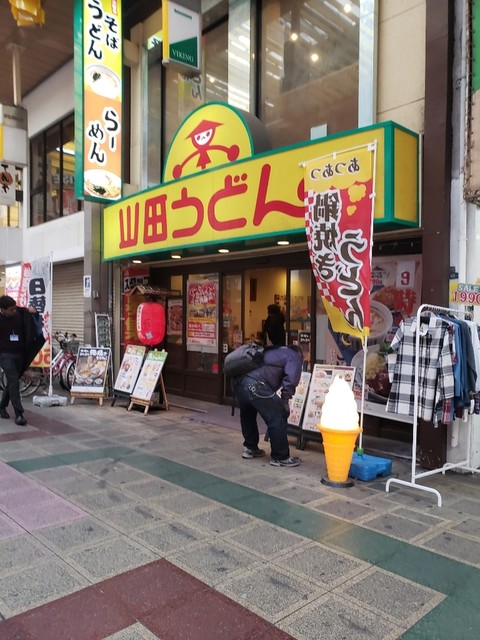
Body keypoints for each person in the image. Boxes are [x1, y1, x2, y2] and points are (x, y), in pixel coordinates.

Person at [232, 345, 303, 467]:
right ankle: (280, 457)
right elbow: (291, 379)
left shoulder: (273, 351)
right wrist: (285, 400)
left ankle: (250, 448)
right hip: (256, 385)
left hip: (239, 383)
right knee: (277, 417)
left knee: (247, 415)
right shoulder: (294, 356)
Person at [0, 295, 45, 426]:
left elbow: (33, 320)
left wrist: (34, 313)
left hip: (20, 354)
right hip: (4, 354)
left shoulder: (20, 313)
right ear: (3, 309)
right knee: (13, 380)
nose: (14, 311)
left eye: (15, 308)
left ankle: (2, 406)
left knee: (13, 382)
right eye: (11, 310)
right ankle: (19, 414)